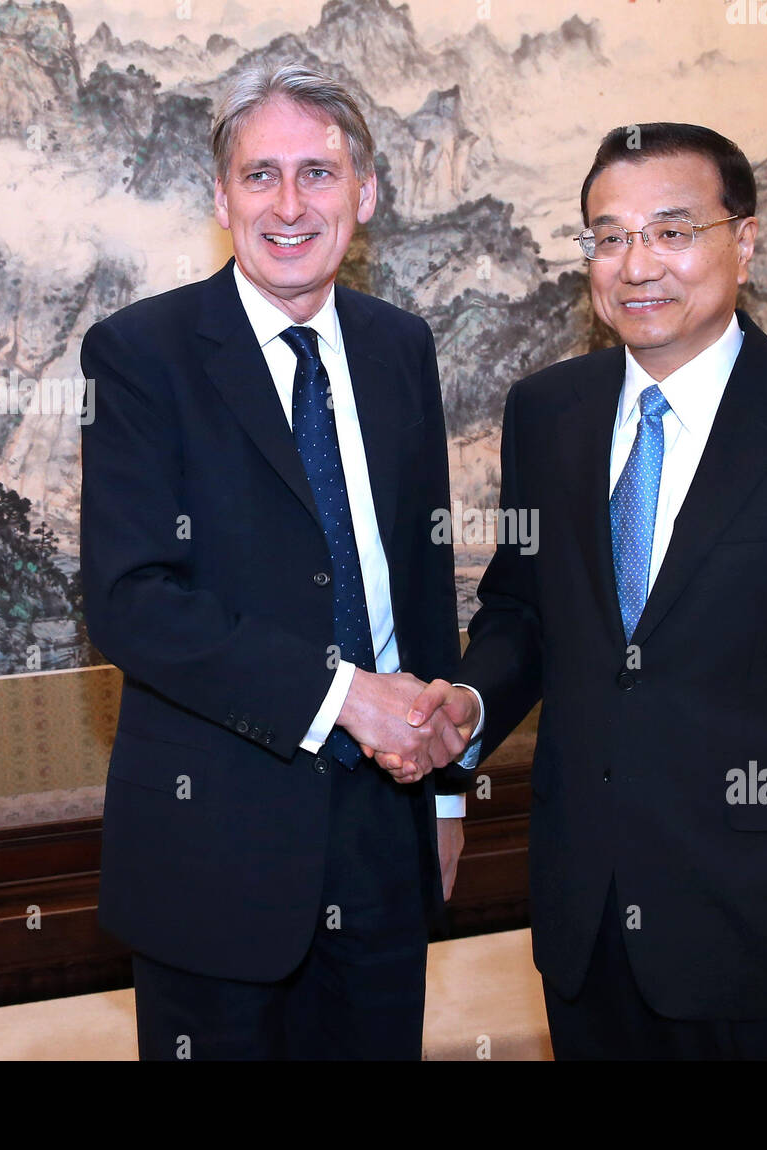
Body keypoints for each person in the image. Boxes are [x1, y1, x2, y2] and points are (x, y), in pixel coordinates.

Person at [396, 122, 767, 1060]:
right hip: (588, 919)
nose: (637, 263)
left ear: (748, 240)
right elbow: (527, 608)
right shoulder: (549, 412)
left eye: (672, 231)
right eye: (609, 237)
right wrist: (471, 701)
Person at [79, 62, 474, 1061]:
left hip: (388, 839)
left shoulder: (399, 347)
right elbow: (130, 603)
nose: (289, 205)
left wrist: (444, 790)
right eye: (260, 176)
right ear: (221, 198)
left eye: (318, 173)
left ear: (365, 194)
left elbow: (421, 586)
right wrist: (343, 695)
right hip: (216, 846)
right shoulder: (141, 354)